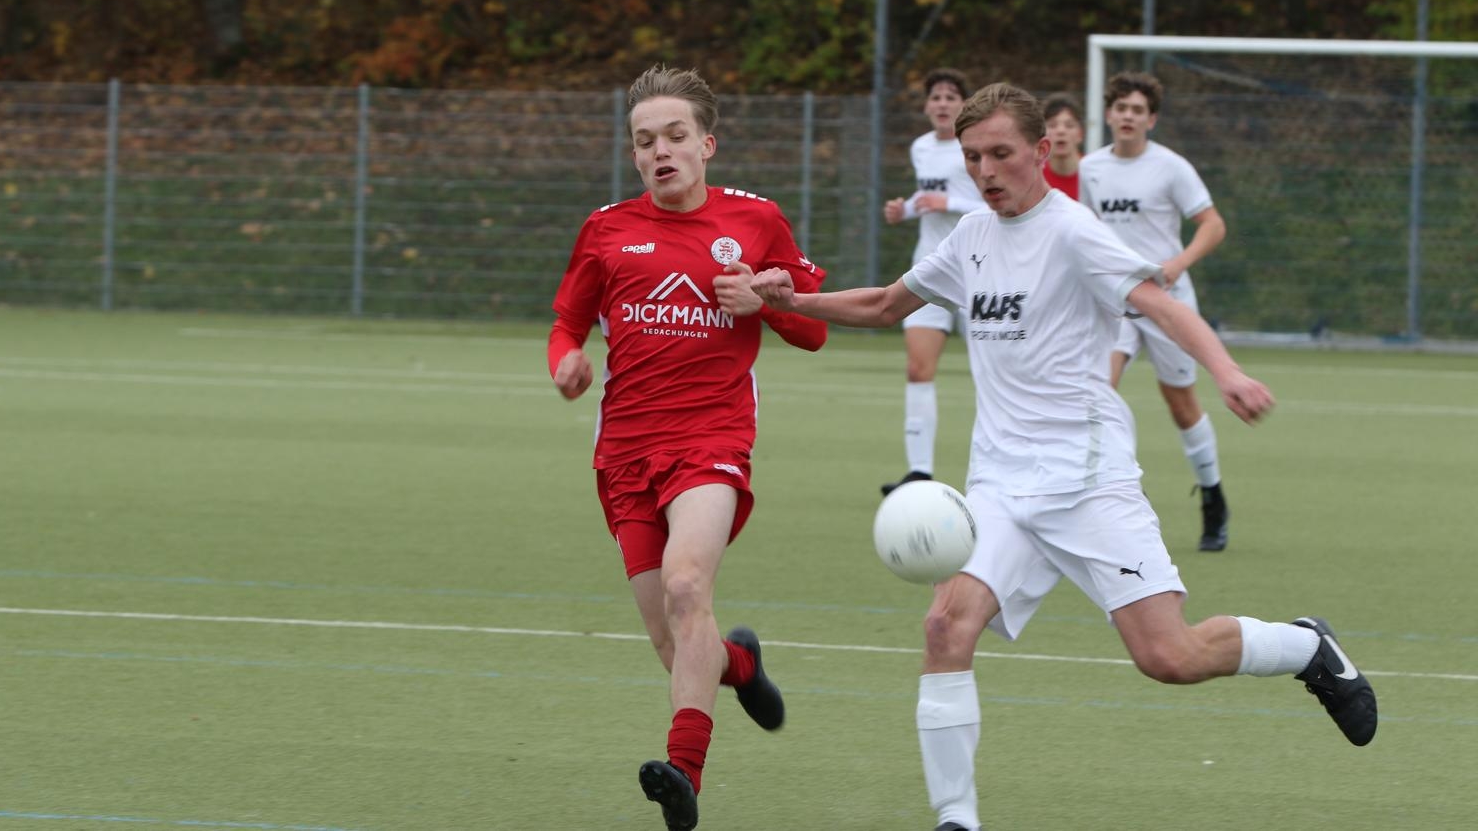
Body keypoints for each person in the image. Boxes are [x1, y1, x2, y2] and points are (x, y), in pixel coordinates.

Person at [751, 82, 1377, 831]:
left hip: (1087, 480)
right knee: (946, 627)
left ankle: (1305, 647)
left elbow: (1161, 305)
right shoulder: (971, 235)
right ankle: (957, 818)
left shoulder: (1074, 232)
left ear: (1041, 151)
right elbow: (888, 304)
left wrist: (1227, 372)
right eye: (972, 156)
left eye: (1001, 154)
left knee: (1169, 657)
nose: (985, 171)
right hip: (998, 484)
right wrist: (791, 302)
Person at [548, 64, 828, 831]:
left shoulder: (757, 221)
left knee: (685, 587)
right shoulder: (606, 229)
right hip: (624, 451)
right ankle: (742, 664)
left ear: (707, 144)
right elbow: (567, 324)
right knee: (677, 645)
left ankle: (682, 775)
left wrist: (763, 301)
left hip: (711, 439)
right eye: (645, 141)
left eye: (675, 136)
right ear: (633, 154)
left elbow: (812, 330)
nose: (660, 151)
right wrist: (566, 363)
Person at [1079, 71, 1232, 551]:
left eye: (1138, 110)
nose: (1128, 116)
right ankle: (1124, 492)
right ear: (1108, 114)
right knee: (1098, 393)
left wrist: (1176, 264)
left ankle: (1212, 494)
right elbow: (1083, 230)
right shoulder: (1090, 168)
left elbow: (1212, 224)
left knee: (1181, 404)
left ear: (1152, 119)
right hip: (1115, 302)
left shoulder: (1171, 167)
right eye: (1121, 108)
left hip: (1168, 302)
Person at [880, 67, 987, 497]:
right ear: (927, 106)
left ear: (964, 105)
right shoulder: (921, 147)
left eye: (950, 97)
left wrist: (950, 201)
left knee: (992, 372)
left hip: (978, 268)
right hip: (930, 268)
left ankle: (991, 470)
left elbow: (992, 202)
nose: (942, 104)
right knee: (918, 368)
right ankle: (919, 472)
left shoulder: (976, 146)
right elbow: (927, 200)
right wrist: (904, 210)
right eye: (936, 97)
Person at [1040, 92, 1084, 199]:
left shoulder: (1095, 172)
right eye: (1052, 125)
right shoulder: (1035, 178)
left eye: (1069, 125)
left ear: (1080, 134)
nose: (1061, 131)